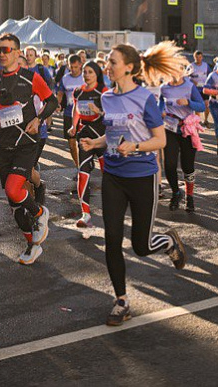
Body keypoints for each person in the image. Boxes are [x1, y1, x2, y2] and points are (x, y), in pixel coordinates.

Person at [77, 43, 188, 327]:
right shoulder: (107, 97)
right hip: (114, 176)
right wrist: (97, 143)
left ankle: (169, 242)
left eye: (112, 62)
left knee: (141, 245)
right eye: (107, 62)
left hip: (142, 177)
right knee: (112, 240)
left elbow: (160, 141)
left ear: (128, 67)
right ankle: (121, 301)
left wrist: (135, 147)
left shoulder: (145, 99)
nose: (107, 66)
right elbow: (114, 134)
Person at [0, 33, 58, 265]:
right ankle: (32, 245)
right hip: (5, 144)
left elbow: (52, 101)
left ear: (17, 52)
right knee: (14, 204)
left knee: (14, 189)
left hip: (26, 142)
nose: (1, 53)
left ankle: (40, 213)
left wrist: (39, 119)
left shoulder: (31, 78)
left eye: (6, 49)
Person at [159, 67, 206, 212]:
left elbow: (202, 106)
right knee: (169, 165)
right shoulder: (164, 87)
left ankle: (189, 196)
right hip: (169, 129)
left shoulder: (189, 86)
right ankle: (175, 193)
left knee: (188, 166)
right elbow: (160, 104)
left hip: (186, 129)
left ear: (182, 72)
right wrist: (160, 111)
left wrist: (188, 102)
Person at [67, 60, 106, 227]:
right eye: (85, 72)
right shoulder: (78, 92)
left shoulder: (103, 92)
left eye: (90, 72)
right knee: (82, 172)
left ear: (97, 74)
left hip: (102, 135)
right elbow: (76, 110)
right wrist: (73, 126)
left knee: (109, 173)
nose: (87, 75)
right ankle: (85, 213)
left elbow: (112, 114)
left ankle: (115, 204)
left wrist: (99, 111)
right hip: (84, 134)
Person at [57, 54, 86, 169]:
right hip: (69, 113)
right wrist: (58, 104)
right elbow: (60, 93)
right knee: (71, 144)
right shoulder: (65, 78)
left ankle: (85, 164)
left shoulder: (86, 77)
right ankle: (78, 166)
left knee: (83, 143)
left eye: (75, 67)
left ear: (80, 65)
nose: (73, 69)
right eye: (71, 67)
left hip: (84, 115)